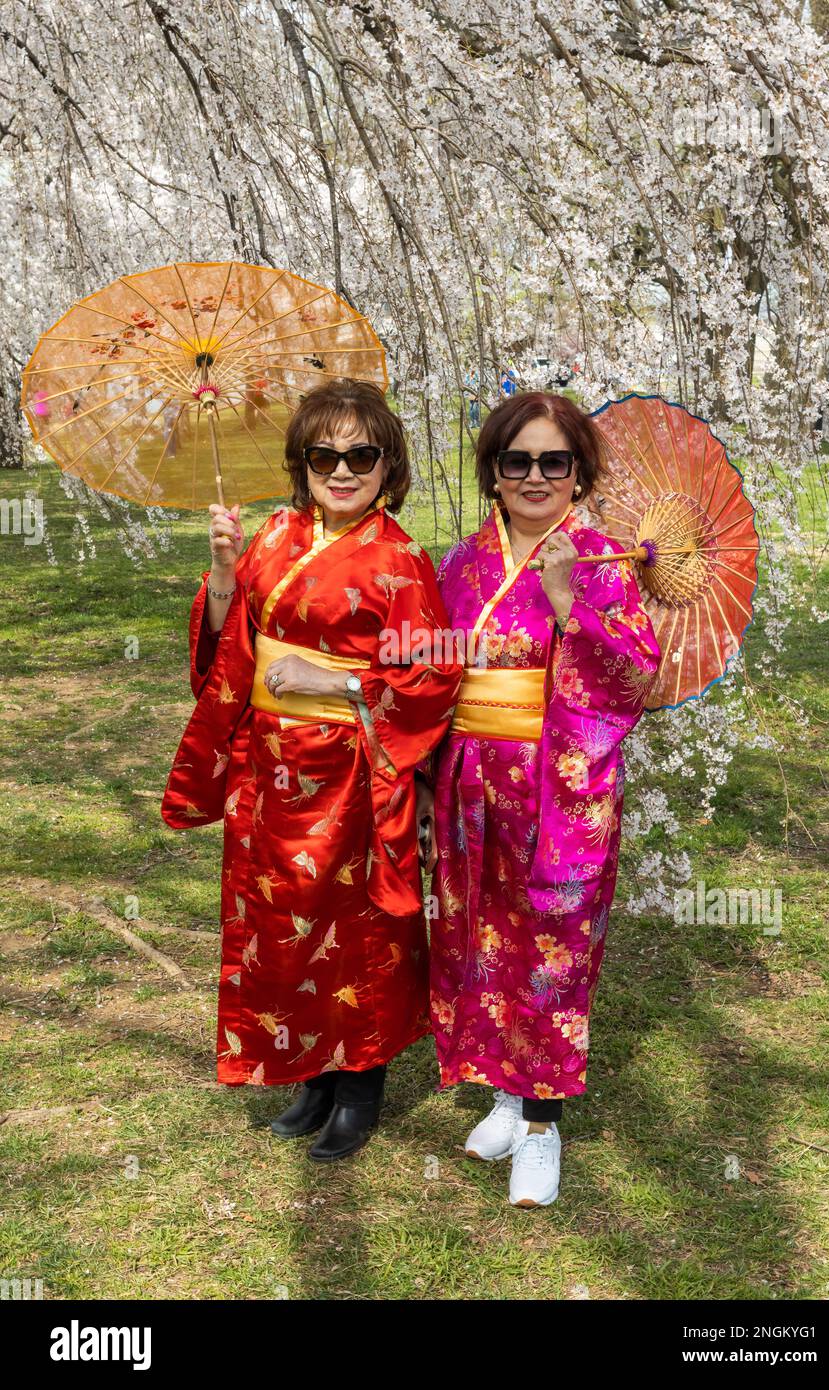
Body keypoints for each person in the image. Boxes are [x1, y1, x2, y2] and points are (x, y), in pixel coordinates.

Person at [162, 379, 462, 1161]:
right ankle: (311, 1074)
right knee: (281, 923)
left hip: (354, 773)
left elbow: (428, 680)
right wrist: (225, 573)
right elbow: (231, 651)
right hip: (270, 771)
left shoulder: (401, 559)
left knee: (359, 931)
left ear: (387, 464)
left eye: (360, 454)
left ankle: (360, 1086)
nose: (341, 468)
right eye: (323, 453)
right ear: (301, 461)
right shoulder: (273, 535)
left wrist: (339, 683)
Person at [416, 391, 660, 1207]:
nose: (534, 476)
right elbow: (431, 665)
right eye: (515, 460)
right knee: (481, 941)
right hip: (472, 783)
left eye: (553, 461)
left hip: (562, 789)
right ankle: (506, 1093)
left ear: (578, 473)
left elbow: (634, 676)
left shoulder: (603, 562)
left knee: (551, 950)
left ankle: (542, 1127)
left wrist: (567, 604)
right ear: (492, 471)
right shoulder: (460, 563)